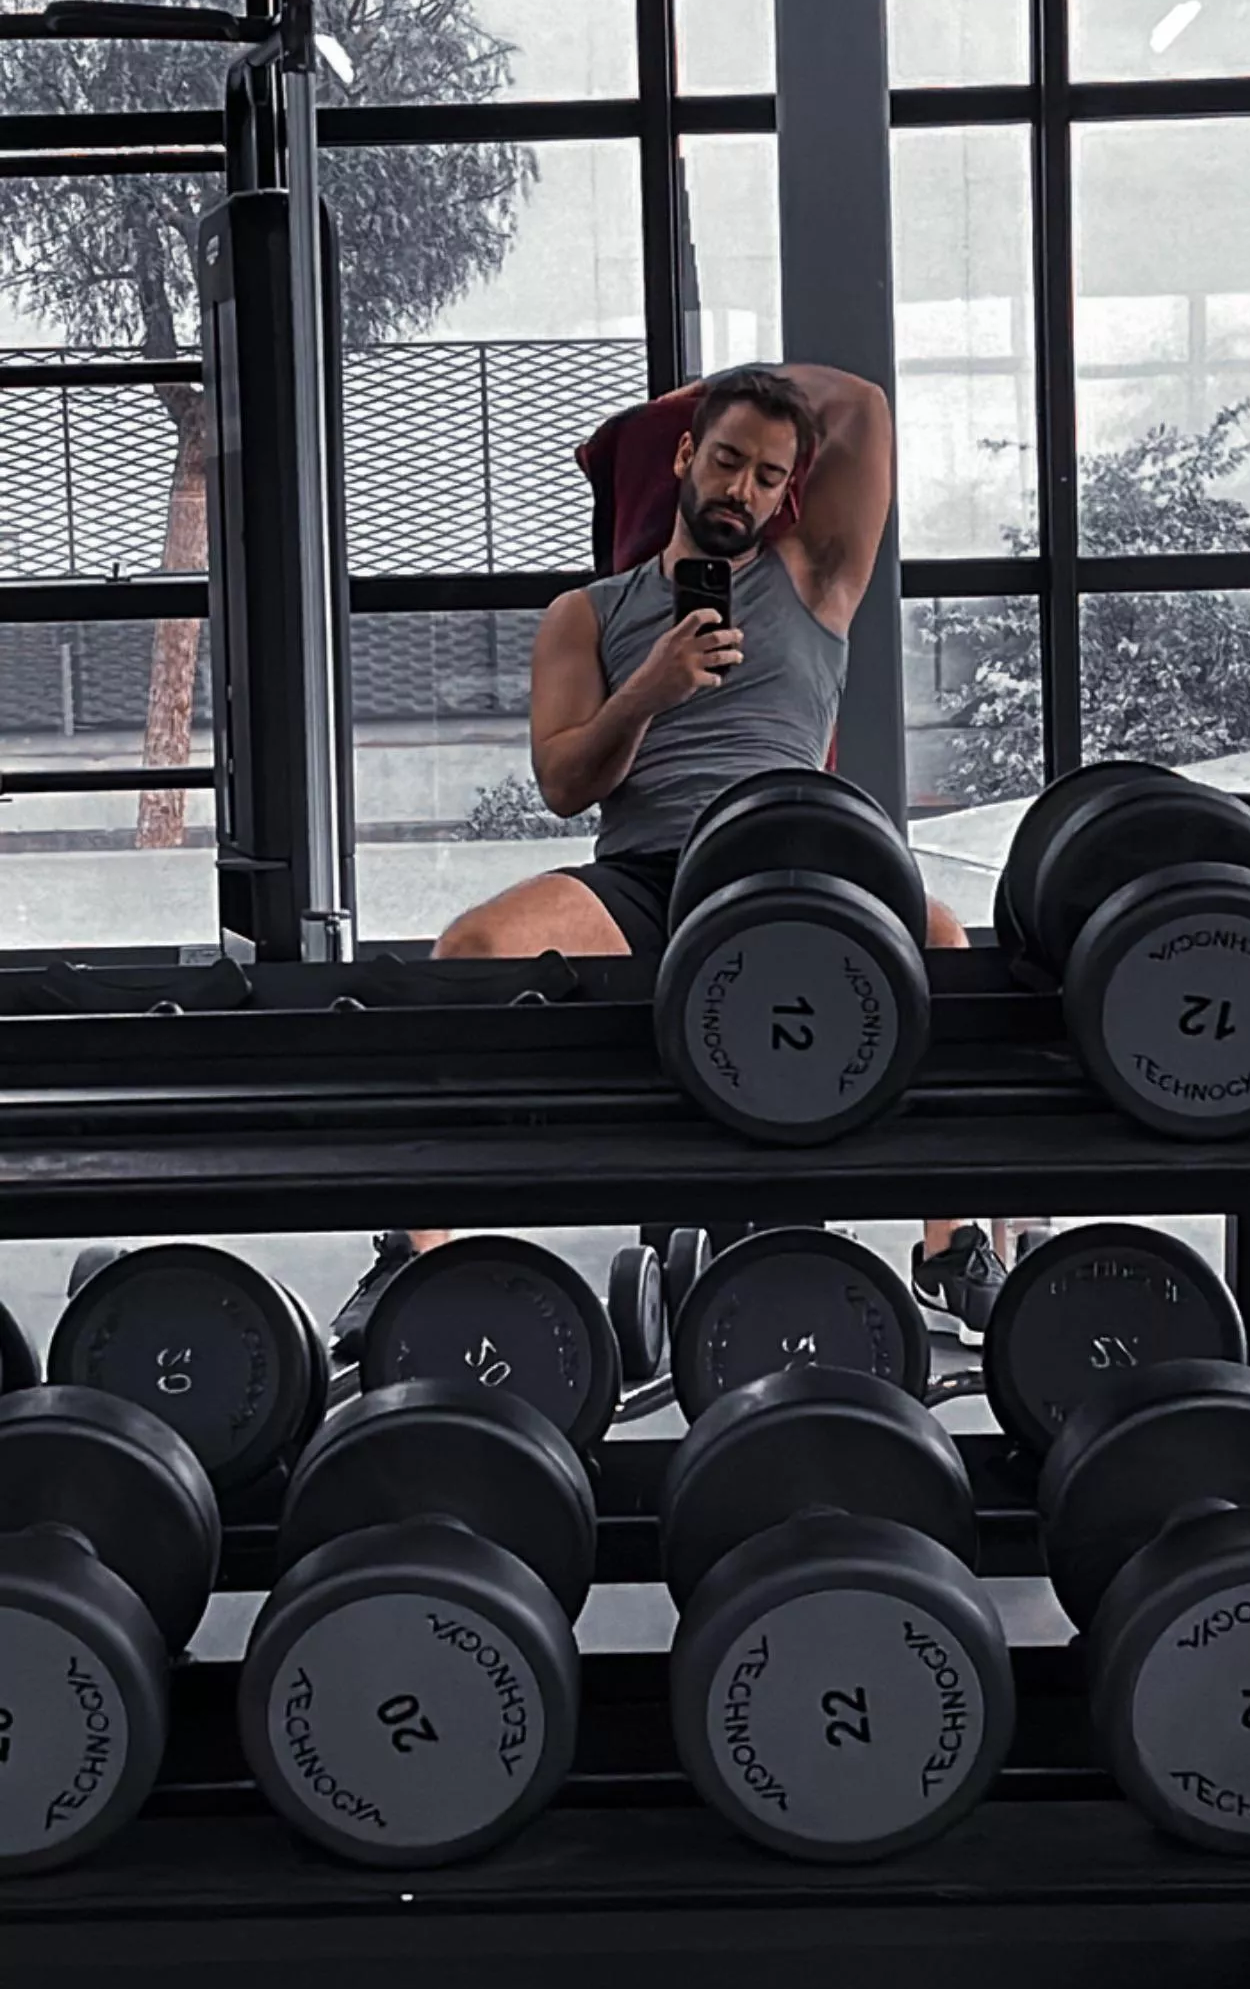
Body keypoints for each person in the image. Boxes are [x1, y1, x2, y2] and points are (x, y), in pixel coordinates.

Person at [332, 362, 1012, 1359]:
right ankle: (415, 1250)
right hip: (652, 875)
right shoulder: (589, 614)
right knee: (470, 946)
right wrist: (649, 688)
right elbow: (565, 783)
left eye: (768, 475)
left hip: (797, 859)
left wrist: (716, 386)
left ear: (789, 491)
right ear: (687, 458)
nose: (743, 489)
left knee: (942, 937)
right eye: (726, 458)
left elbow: (860, 407)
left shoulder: (818, 578)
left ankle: (950, 1249)